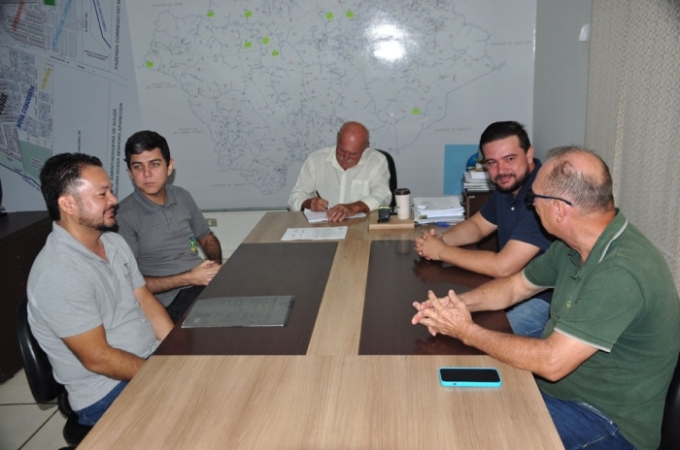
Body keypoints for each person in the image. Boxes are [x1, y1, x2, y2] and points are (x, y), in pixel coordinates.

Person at [412, 147, 680, 450]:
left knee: (471, 432)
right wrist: (458, 305)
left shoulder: (621, 271)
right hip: (560, 394)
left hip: (608, 422)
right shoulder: (574, 244)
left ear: (559, 210)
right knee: (456, 403)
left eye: (533, 199)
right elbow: (515, 287)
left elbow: (552, 362)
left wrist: (466, 331)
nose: (532, 206)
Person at [27, 153, 173, 426]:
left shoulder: (113, 243)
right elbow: (98, 359)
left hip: (147, 363)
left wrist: (177, 355)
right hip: (106, 391)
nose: (113, 200)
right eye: (102, 194)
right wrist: (162, 375)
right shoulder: (58, 272)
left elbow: (146, 302)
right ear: (68, 204)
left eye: (110, 191)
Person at [415, 121, 553, 337]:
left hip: (543, 301)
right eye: (492, 162)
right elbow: (477, 226)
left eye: (509, 159)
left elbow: (504, 267)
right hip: (510, 288)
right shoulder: (509, 186)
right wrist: (439, 241)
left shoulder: (543, 195)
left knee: (466, 333)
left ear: (529, 154)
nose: (501, 170)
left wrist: (441, 251)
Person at [117, 131, 222, 323]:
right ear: (130, 172)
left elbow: (207, 238)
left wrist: (214, 269)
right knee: (223, 318)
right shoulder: (123, 216)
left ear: (169, 166)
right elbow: (130, 284)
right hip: (168, 300)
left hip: (200, 284)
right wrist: (190, 278)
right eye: (138, 167)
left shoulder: (182, 195)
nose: (147, 174)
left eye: (154, 164)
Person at [287, 121, 392, 222]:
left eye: (353, 154)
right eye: (342, 150)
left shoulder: (376, 161)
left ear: (366, 147)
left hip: (362, 227)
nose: (345, 157)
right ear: (337, 140)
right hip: (323, 226)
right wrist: (308, 204)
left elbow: (383, 195)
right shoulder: (316, 160)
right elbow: (295, 197)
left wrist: (354, 208)